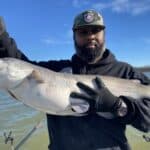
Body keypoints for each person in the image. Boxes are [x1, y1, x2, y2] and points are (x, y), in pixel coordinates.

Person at [0, 10, 150, 150]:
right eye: (83, 32)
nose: (90, 36)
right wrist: (1, 36)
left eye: (95, 30)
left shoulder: (125, 71)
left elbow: (147, 121)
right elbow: (17, 64)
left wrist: (118, 106)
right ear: (74, 37)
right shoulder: (56, 69)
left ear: (104, 34)